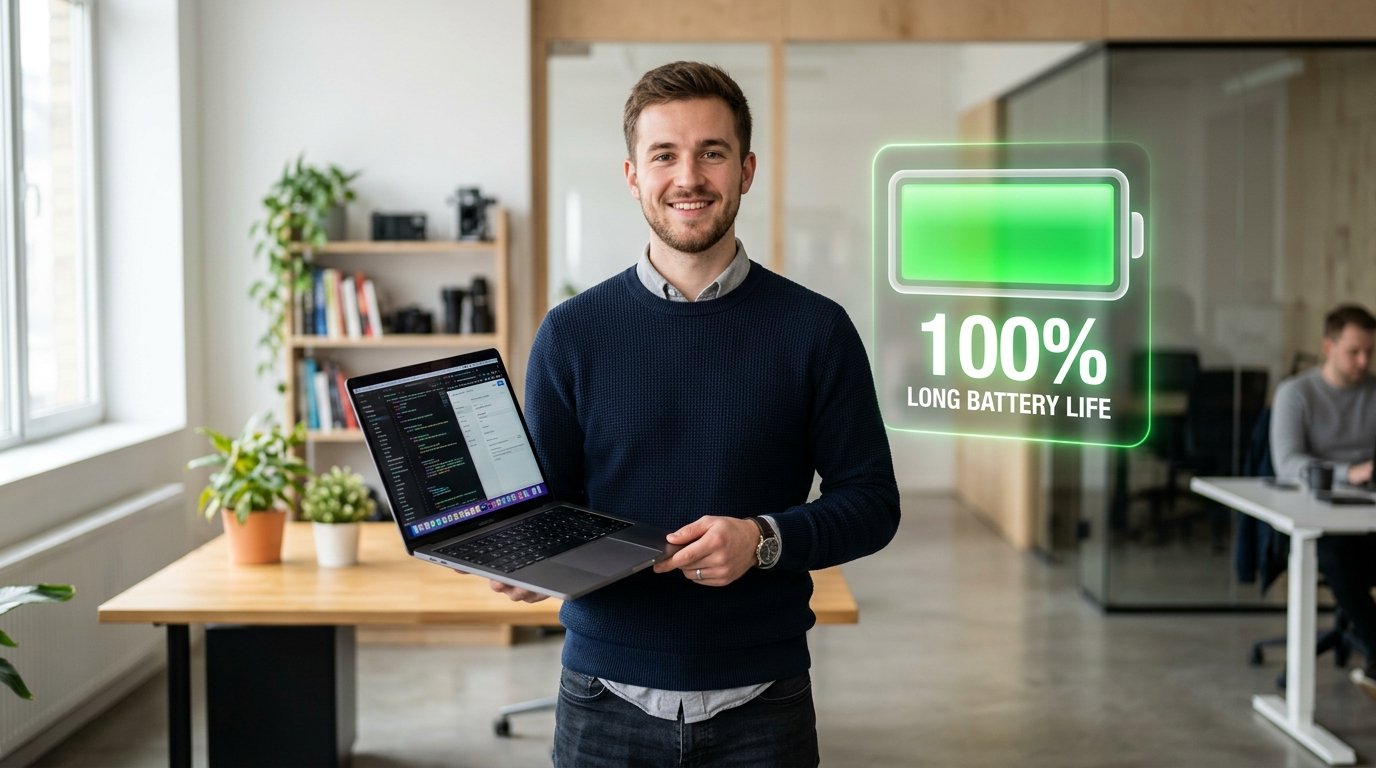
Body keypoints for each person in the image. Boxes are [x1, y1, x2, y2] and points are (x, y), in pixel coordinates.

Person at [489, 61, 901, 766]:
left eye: (711, 153)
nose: (689, 177)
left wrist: (762, 539)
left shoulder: (815, 329)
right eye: (664, 155)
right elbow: (551, 506)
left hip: (762, 701)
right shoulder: (571, 333)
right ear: (632, 176)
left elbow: (872, 504)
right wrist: (521, 554)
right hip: (601, 699)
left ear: (745, 170)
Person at [1271, 303, 1376, 695]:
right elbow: (1288, 464)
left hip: (1367, 514)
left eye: (1370, 352)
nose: (1363, 361)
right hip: (1314, 518)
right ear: (1328, 347)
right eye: (1354, 352)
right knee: (1334, 551)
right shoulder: (1296, 394)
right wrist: (1351, 473)